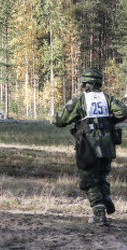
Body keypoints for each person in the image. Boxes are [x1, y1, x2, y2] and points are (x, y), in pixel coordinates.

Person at [52, 68, 126, 226]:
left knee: (88, 179)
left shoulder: (81, 99)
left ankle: (99, 213)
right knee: (101, 176)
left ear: (85, 83)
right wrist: (108, 121)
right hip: (107, 145)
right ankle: (105, 197)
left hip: (89, 146)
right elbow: (123, 112)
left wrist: (56, 117)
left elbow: (60, 120)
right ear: (99, 82)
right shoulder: (108, 98)